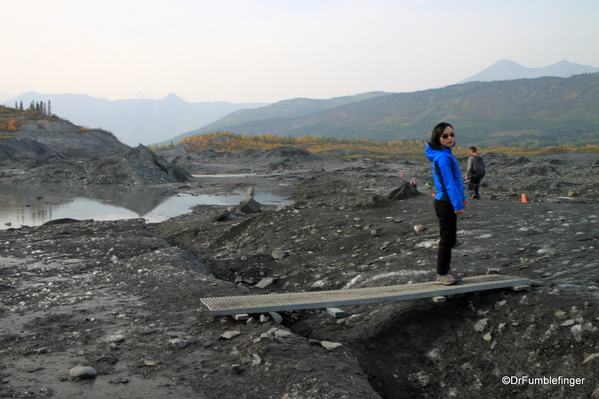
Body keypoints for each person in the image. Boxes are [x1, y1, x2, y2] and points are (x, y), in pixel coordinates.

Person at [425, 122, 468, 285]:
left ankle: (446, 270)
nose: (450, 138)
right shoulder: (443, 157)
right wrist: (457, 205)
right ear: (438, 138)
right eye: (445, 135)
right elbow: (448, 183)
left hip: (448, 200)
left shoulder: (445, 154)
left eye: (452, 134)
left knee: (450, 238)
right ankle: (442, 273)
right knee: (447, 238)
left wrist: (462, 197)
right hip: (445, 202)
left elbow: (455, 182)